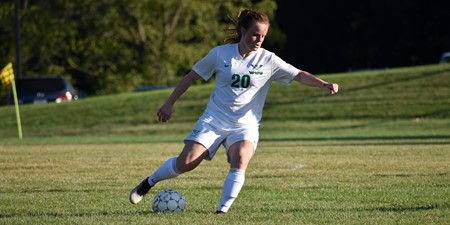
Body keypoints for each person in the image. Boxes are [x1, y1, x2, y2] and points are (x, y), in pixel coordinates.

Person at [130, 8, 339, 214]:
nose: (259, 40)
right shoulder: (220, 54)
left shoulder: (269, 60)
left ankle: (222, 212)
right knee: (186, 163)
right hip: (214, 119)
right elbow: (191, 77)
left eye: (263, 36)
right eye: (255, 34)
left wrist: (323, 84)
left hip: (245, 125)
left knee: (241, 159)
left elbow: (299, 75)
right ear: (242, 30)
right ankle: (148, 182)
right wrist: (169, 103)